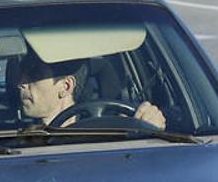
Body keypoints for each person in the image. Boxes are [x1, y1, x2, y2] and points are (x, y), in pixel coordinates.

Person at [14, 56, 167, 130]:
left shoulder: (116, 133)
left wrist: (151, 125)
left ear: (66, 87)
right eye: (21, 75)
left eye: (34, 75)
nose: (20, 84)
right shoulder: (16, 143)